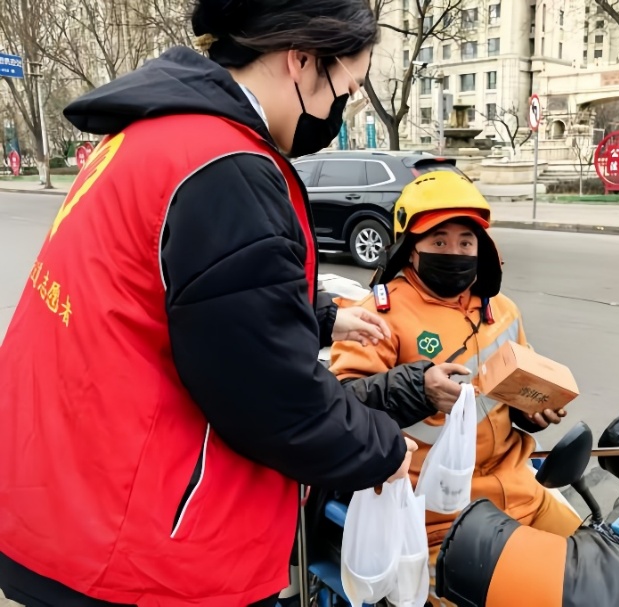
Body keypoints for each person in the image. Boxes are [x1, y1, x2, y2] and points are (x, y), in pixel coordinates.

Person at [0, 1, 418, 606]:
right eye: (347, 87)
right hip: (138, 552)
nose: (340, 109)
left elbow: (181, 300)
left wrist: (323, 317)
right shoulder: (227, 169)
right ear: (302, 60)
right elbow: (272, 399)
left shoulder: (150, 137)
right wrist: (380, 448)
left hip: (57, 499)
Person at [329, 171, 583, 604]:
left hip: (522, 490)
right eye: (439, 241)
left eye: (466, 242)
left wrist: (531, 411)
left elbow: (514, 389)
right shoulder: (378, 314)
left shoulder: (501, 309)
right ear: (411, 248)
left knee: (600, 574)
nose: (455, 252)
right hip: (436, 517)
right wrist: (418, 389)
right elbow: (340, 405)